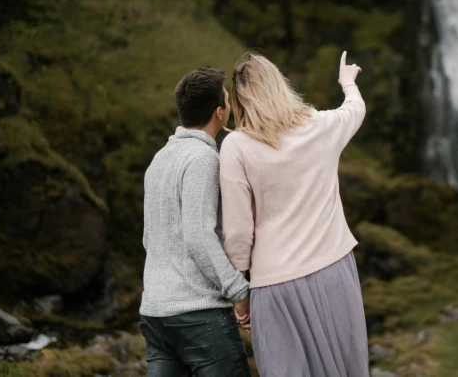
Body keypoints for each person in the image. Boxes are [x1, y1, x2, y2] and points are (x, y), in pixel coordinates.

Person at [219, 51, 368, 377]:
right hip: (335, 271)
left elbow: (238, 233)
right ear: (279, 86)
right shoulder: (319, 126)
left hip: (275, 285)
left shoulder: (236, 147)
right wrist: (347, 83)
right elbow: (355, 110)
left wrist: (239, 294)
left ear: (241, 98)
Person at [139, 67, 253, 377]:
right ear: (220, 112)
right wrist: (239, 293)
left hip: (155, 315)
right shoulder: (203, 159)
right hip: (198, 317)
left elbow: (150, 239)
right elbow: (199, 236)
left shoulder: (159, 159)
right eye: (227, 100)